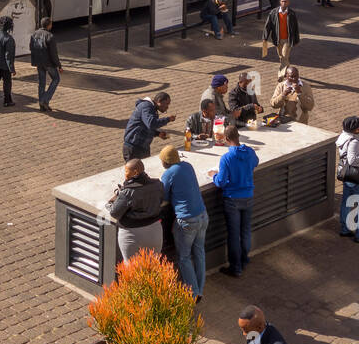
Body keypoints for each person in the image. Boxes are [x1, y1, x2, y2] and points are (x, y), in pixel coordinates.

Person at [160, 145, 208, 302]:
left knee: (184, 257)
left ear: (164, 162)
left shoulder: (168, 174)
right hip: (202, 215)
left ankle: (193, 293)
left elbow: (163, 197)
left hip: (187, 221)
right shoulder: (188, 166)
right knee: (199, 252)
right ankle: (200, 289)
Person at [209, 123, 257, 277]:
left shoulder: (227, 158)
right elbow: (255, 162)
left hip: (232, 199)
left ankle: (235, 268)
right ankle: (244, 259)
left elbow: (221, 182)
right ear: (238, 136)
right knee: (245, 231)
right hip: (248, 196)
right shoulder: (249, 152)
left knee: (234, 234)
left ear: (227, 138)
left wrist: (213, 176)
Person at [107, 159, 165, 262]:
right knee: (152, 268)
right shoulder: (157, 184)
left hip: (132, 234)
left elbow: (114, 212)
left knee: (132, 270)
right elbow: (160, 199)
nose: (125, 174)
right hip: (155, 231)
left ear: (135, 172)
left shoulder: (128, 192)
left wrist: (111, 202)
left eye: (126, 171)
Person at [336, 116, 359, 245]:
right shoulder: (354, 142)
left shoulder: (342, 137)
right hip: (357, 178)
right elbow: (353, 160)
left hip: (348, 176)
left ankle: (345, 229)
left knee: (347, 202)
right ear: (356, 130)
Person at [123, 92, 174, 161]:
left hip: (143, 147)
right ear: (159, 101)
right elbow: (151, 123)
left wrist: (158, 134)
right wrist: (168, 119)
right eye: (167, 104)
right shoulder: (146, 106)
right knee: (133, 170)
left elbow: (147, 126)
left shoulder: (152, 109)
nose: (167, 107)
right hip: (133, 147)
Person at [262, 0, 300, 79]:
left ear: (288, 3)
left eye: (285, 1)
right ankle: (288, 70)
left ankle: (281, 75)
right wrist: (265, 37)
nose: (284, 3)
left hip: (288, 40)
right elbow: (268, 26)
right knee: (282, 57)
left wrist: (296, 40)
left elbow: (295, 28)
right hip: (277, 39)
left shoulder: (292, 14)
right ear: (280, 2)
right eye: (282, 1)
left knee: (284, 56)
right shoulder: (273, 13)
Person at [29, 17, 62, 113]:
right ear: (49, 25)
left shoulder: (34, 34)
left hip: (38, 62)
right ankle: (45, 100)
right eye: (51, 24)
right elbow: (54, 54)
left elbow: (31, 47)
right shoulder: (50, 36)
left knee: (42, 82)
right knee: (56, 79)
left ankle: (42, 104)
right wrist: (59, 65)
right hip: (48, 63)